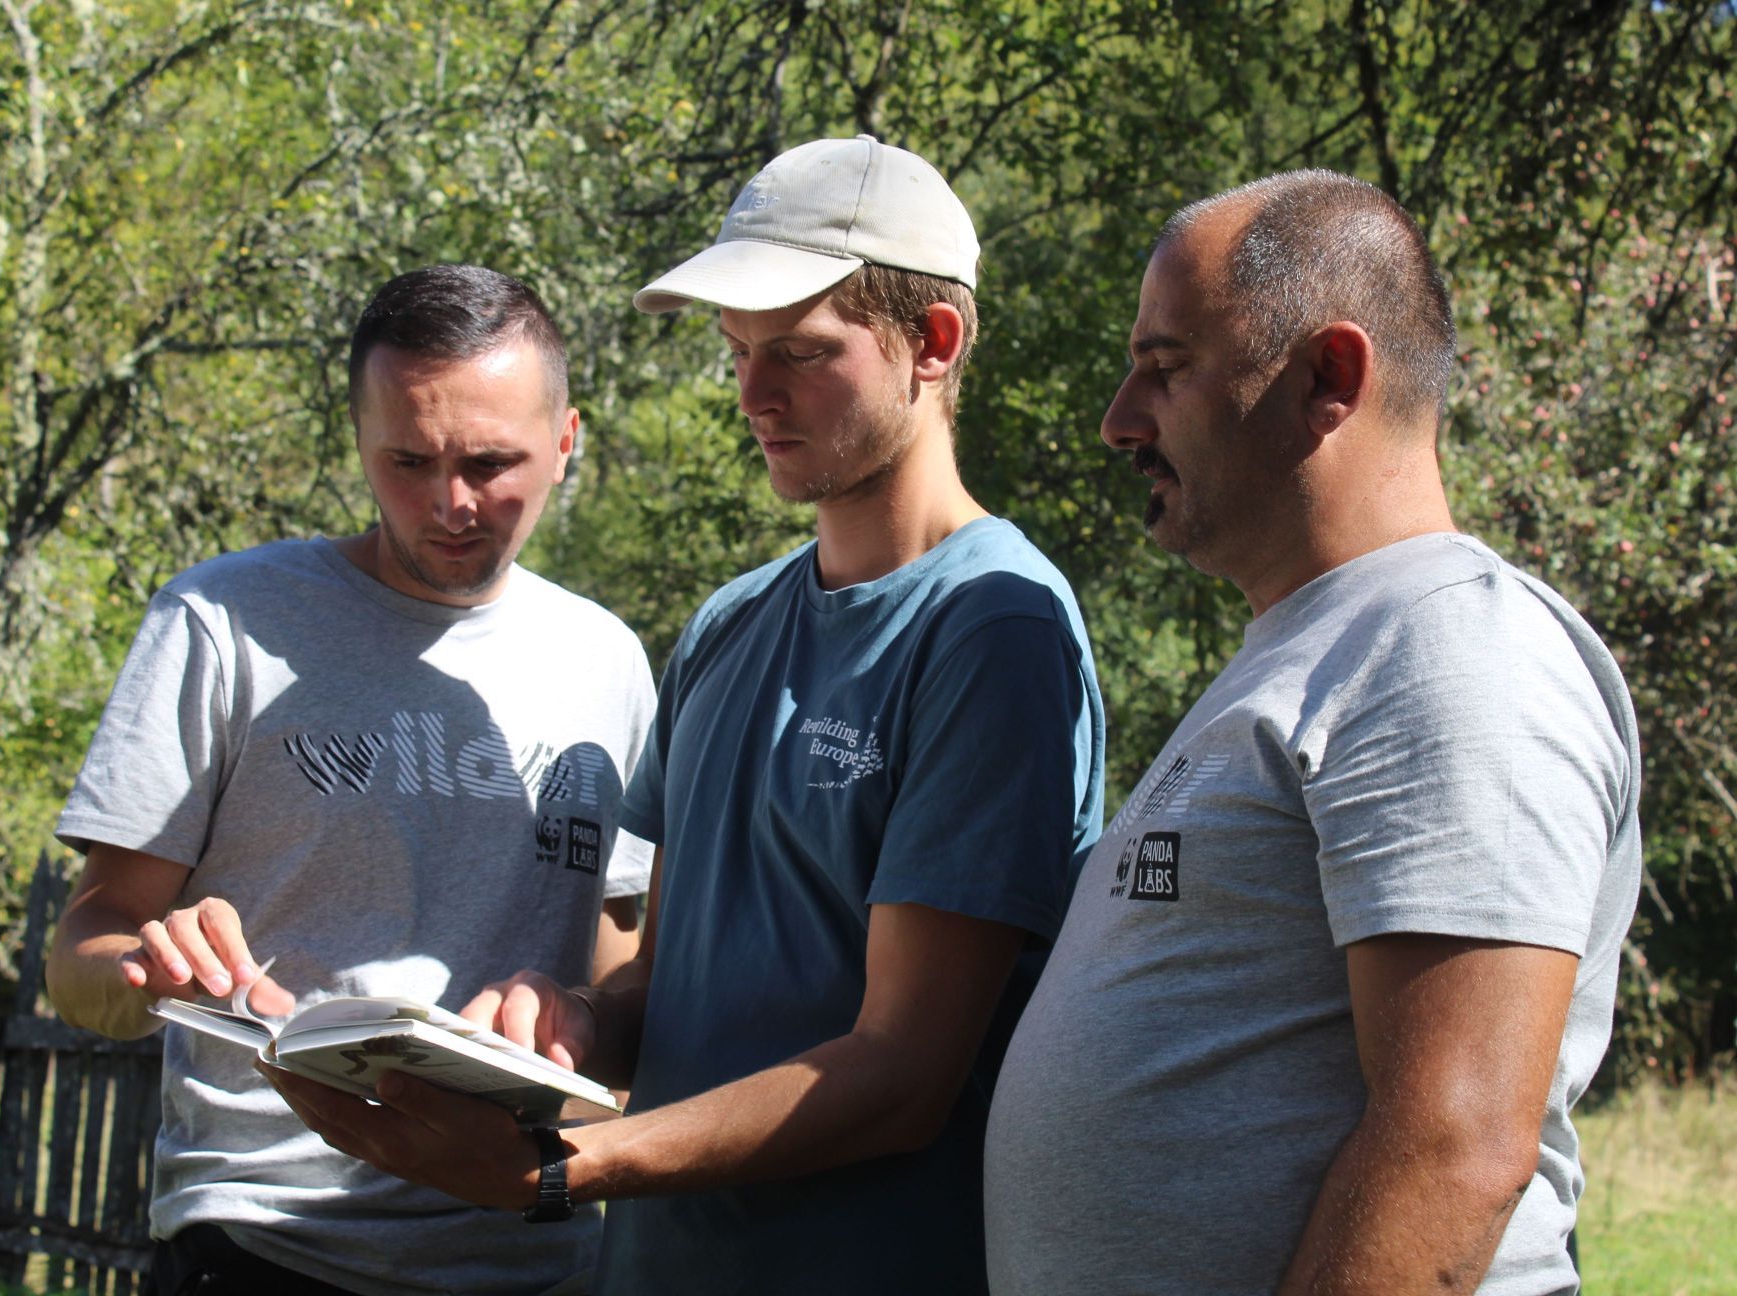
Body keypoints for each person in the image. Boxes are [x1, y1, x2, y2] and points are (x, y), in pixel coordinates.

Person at [264, 135, 1105, 1295]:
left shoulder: (991, 628)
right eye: (738, 350)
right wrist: (560, 1025)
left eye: (803, 355)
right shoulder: (730, 623)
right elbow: (658, 979)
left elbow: (904, 1073)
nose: (754, 394)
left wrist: (561, 1169)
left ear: (934, 344)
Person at [985, 170, 1641, 1295]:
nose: (1118, 421)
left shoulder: (1449, 646)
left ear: (1329, 377)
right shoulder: (1316, 651)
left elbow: (1455, 1150)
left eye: (1166, 367)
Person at [45, 263, 657, 1296]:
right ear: (359, 438)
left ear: (568, 440)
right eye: (407, 460)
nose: (450, 503)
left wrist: (580, 1018)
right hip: (261, 1244)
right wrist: (153, 970)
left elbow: (625, 984)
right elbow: (79, 965)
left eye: (492, 461)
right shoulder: (221, 625)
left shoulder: (612, 663)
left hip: (534, 1250)